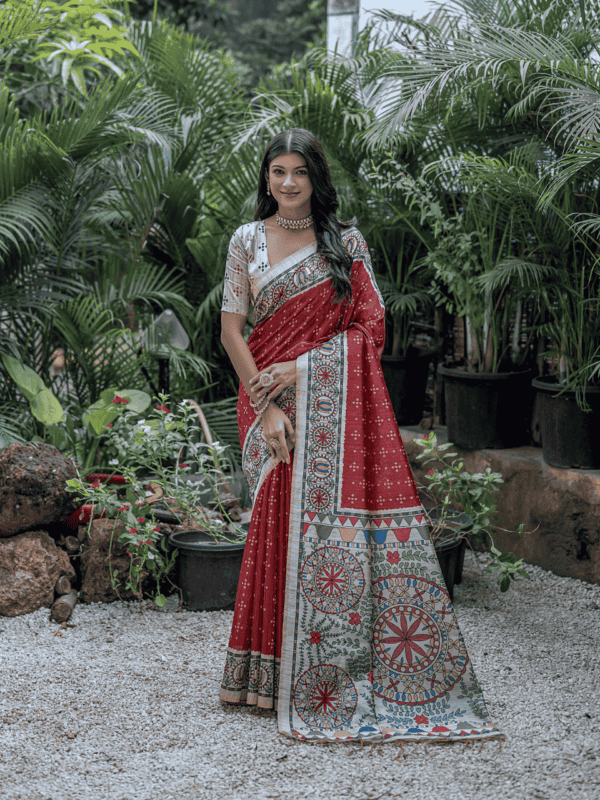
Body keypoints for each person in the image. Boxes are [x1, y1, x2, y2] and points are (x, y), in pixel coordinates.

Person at [219, 128, 502, 742]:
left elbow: (370, 330)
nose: (288, 184)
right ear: (265, 177)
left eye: (299, 172)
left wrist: (302, 369)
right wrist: (268, 406)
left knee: (310, 526)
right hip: (264, 399)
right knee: (274, 514)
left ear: (317, 179)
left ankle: (321, 672)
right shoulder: (246, 242)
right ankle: (265, 672)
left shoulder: (346, 244)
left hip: (326, 398)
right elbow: (232, 334)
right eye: (277, 172)